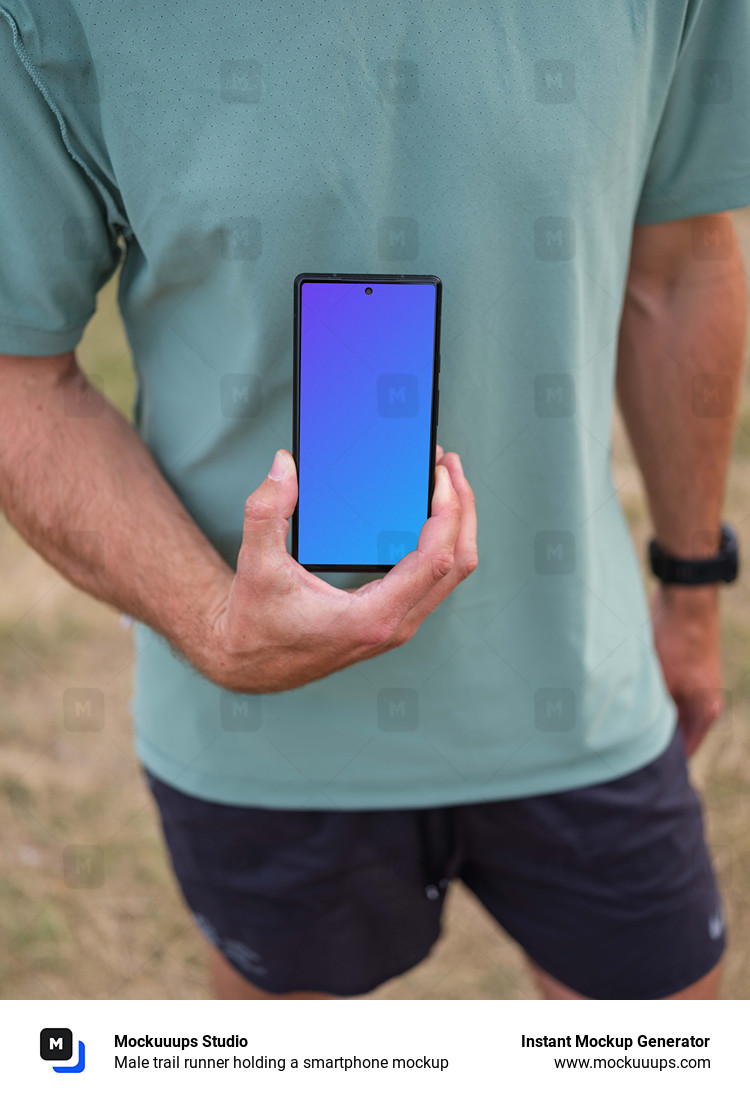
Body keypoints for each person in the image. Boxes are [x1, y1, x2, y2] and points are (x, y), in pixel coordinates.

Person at [0, 1, 748, 1001]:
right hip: (259, 735)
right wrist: (215, 624)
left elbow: (681, 260)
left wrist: (692, 592)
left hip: (578, 683)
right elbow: (20, 372)